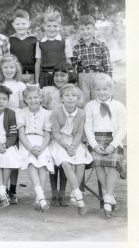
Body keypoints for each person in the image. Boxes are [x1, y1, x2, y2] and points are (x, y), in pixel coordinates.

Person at [84, 73, 126, 218]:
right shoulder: (90, 106)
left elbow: (123, 128)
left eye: (105, 89)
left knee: (114, 163)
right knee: (98, 163)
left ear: (111, 89)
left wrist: (114, 145)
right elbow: (87, 127)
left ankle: (108, 196)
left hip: (113, 139)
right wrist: (94, 145)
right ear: (93, 90)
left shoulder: (118, 106)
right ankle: (109, 193)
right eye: (98, 89)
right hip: (96, 139)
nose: (101, 92)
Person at [50, 84, 93, 215]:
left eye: (74, 95)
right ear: (61, 98)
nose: (70, 98)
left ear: (78, 98)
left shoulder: (81, 113)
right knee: (66, 164)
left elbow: (79, 132)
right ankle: (79, 198)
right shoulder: (56, 111)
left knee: (80, 164)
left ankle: (74, 194)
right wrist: (65, 146)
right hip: (60, 142)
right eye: (67, 95)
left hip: (75, 141)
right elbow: (56, 133)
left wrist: (74, 145)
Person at [41, 62, 78, 207]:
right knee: (52, 162)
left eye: (63, 76)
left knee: (64, 162)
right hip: (51, 132)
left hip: (66, 133)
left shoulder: (73, 91)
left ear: (69, 76)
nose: (59, 78)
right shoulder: (47, 90)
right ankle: (54, 192)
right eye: (56, 75)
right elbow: (42, 109)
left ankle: (63, 191)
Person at [16, 85, 54, 212]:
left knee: (43, 164)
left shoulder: (47, 113)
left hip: (42, 142)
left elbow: (48, 135)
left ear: (41, 98)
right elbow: (21, 134)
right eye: (30, 98)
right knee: (32, 163)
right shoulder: (21, 113)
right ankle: (41, 196)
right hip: (27, 142)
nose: (33, 100)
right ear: (25, 99)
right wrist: (30, 148)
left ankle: (39, 198)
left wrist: (42, 148)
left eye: (36, 97)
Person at [72, 15, 112, 104]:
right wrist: (74, 82)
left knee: (99, 101)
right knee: (83, 102)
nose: (85, 31)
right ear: (79, 30)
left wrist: (108, 80)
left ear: (94, 29)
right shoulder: (76, 47)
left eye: (88, 28)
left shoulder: (102, 45)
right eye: (82, 29)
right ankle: (86, 117)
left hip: (98, 76)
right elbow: (74, 66)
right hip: (83, 77)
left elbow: (107, 65)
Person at [35, 11, 72, 88]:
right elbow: (38, 63)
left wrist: (70, 78)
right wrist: (36, 82)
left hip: (60, 77)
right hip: (45, 77)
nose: (52, 29)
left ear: (60, 27)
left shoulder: (65, 42)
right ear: (44, 26)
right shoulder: (40, 43)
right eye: (49, 26)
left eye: (55, 26)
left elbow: (69, 62)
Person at [9, 9, 36, 84]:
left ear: (29, 24)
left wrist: (36, 79)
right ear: (13, 25)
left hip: (31, 75)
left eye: (23, 24)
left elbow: (37, 61)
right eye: (17, 24)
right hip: (15, 75)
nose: (20, 26)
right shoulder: (10, 40)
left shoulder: (34, 40)